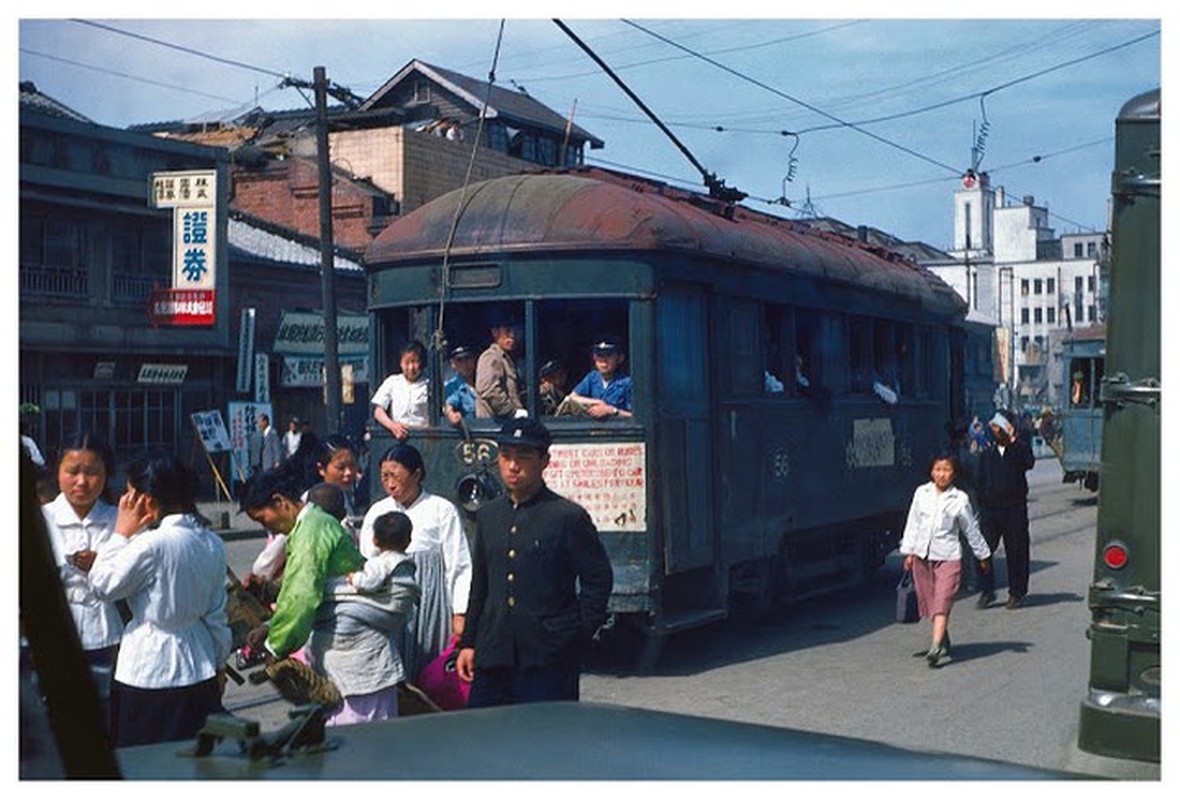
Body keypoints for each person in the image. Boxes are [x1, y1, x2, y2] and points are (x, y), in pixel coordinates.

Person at [456, 418, 613, 707]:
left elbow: (598, 579)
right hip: (494, 652)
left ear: (544, 461)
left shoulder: (566, 517)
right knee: (486, 738)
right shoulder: (490, 515)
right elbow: (481, 584)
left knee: (544, 744)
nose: (513, 466)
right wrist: (468, 642)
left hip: (548, 657)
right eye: (505, 457)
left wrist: (574, 635)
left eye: (523, 457)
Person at [240, 463, 402, 726]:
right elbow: (300, 588)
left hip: (356, 666)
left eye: (262, 519)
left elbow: (302, 597)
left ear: (280, 502)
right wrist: (271, 624)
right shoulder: (310, 527)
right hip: (347, 662)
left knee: (362, 752)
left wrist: (275, 645)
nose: (266, 528)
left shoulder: (311, 531)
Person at [88, 452, 231, 747]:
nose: (125, 502)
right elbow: (217, 615)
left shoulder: (150, 544)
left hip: (148, 668)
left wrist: (120, 533)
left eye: (130, 494)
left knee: (144, 762)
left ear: (148, 499)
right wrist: (219, 665)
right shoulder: (212, 542)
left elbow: (103, 584)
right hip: (199, 663)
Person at [359, 442, 472, 678]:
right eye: (385, 477)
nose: (390, 484)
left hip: (431, 604)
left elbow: (458, 565)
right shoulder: (378, 511)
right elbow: (368, 559)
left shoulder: (442, 509)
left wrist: (459, 612)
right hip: (388, 604)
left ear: (417, 474)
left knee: (430, 670)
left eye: (396, 476)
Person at [41, 432, 123, 709]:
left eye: (92, 473)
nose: (81, 482)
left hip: (105, 632)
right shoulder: (40, 519)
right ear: (58, 472)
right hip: (53, 634)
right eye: (73, 472)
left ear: (107, 474)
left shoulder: (118, 521)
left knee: (102, 711)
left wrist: (100, 565)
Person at [899, 454, 992, 668]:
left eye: (946, 470)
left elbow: (971, 529)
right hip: (923, 557)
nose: (942, 474)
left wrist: (983, 555)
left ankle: (935, 647)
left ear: (954, 474)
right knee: (931, 603)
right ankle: (943, 637)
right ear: (932, 472)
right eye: (938, 469)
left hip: (948, 557)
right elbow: (913, 523)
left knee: (941, 602)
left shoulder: (959, 499)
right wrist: (909, 552)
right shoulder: (921, 493)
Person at [975, 410, 1036, 609]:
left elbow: (1029, 462)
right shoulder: (987, 453)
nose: (995, 429)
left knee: (1017, 551)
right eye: (993, 425)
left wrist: (1013, 439)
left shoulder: (1018, 449)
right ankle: (986, 590)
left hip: (1014, 509)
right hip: (990, 510)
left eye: (999, 425)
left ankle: (1016, 593)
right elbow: (980, 480)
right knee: (983, 550)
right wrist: (982, 503)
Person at [371, 340, 430, 441]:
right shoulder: (392, 382)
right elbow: (378, 411)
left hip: (423, 437)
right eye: (407, 363)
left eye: (415, 362)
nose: (411, 367)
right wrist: (393, 426)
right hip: (397, 436)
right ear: (401, 363)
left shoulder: (430, 383)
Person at [567, 337, 633, 419]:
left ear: (620, 358)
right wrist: (597, 402)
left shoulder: (627, 383)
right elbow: (572, 398)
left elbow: (636, 416)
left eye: (609, 355)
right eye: (599, 355)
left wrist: (612, 411)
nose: (603, 360)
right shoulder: (592, 377)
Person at [475, 319, 525, 420]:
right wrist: (511, 412)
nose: (513, 336)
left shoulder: (509, 359)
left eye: (517, 331)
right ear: (495, 332)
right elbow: (488, 390)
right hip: (493, 428)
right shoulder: (491, 357)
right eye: (507, 331)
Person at [443, 344, 478, 426]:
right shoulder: (451, 387)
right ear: (453, 364)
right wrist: (451, 414)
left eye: (468, 358)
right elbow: (449, 404)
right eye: (459, 360)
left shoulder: (483, 381)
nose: (465, 364)